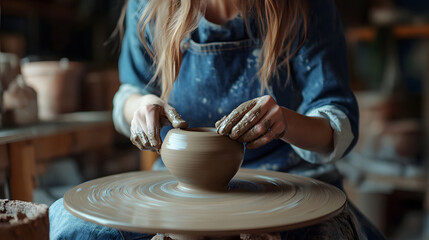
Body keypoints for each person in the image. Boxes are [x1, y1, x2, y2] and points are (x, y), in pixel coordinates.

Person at [49, 0, 386, 239]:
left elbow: (337, 121)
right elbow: (128, 95)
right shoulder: (152, 6)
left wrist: (285, 121)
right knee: (72, 227)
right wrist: (141, 105)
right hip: (177, 188)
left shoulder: (305, 8)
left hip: (290, 184)